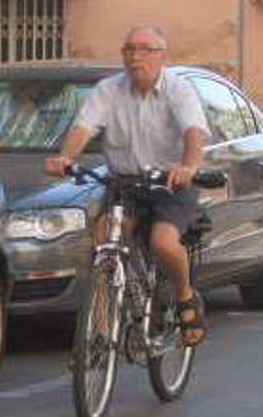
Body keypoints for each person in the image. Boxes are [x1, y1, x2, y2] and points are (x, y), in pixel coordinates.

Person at [44, 25, 211, 347]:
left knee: (163, 243)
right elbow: (83, 127)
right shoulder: (108, 90)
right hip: (126, 183)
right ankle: (102, 329)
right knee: (105, 239)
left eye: (145, 50)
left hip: (170, 183)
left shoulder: (179, 90)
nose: (136, 57)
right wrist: (65, 157)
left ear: (162, 56)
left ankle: (185, 296)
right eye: (129, 50)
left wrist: (188, 166)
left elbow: (193, 132)